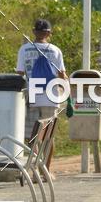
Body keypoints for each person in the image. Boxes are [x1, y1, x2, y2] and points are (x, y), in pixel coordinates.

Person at [16, 18, 68, 169]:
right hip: (51, 97)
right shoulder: (56, 50)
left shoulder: (24, 49)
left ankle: (35, 166)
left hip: (31, 96)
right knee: (48, 136)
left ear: (34, 32)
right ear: (49, 33)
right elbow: (61, 75)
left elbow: (20, 73)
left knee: (31, 136)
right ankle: (46, 169)